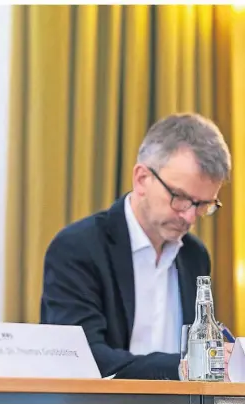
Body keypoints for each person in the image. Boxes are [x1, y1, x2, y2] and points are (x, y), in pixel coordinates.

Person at [40, 113, 233, 380]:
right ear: (142, 178)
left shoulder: (194, 256)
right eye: (180, 198)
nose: (190, 216)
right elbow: (81, 357)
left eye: (203, 205)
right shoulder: (78, 248)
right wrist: (183, 366)